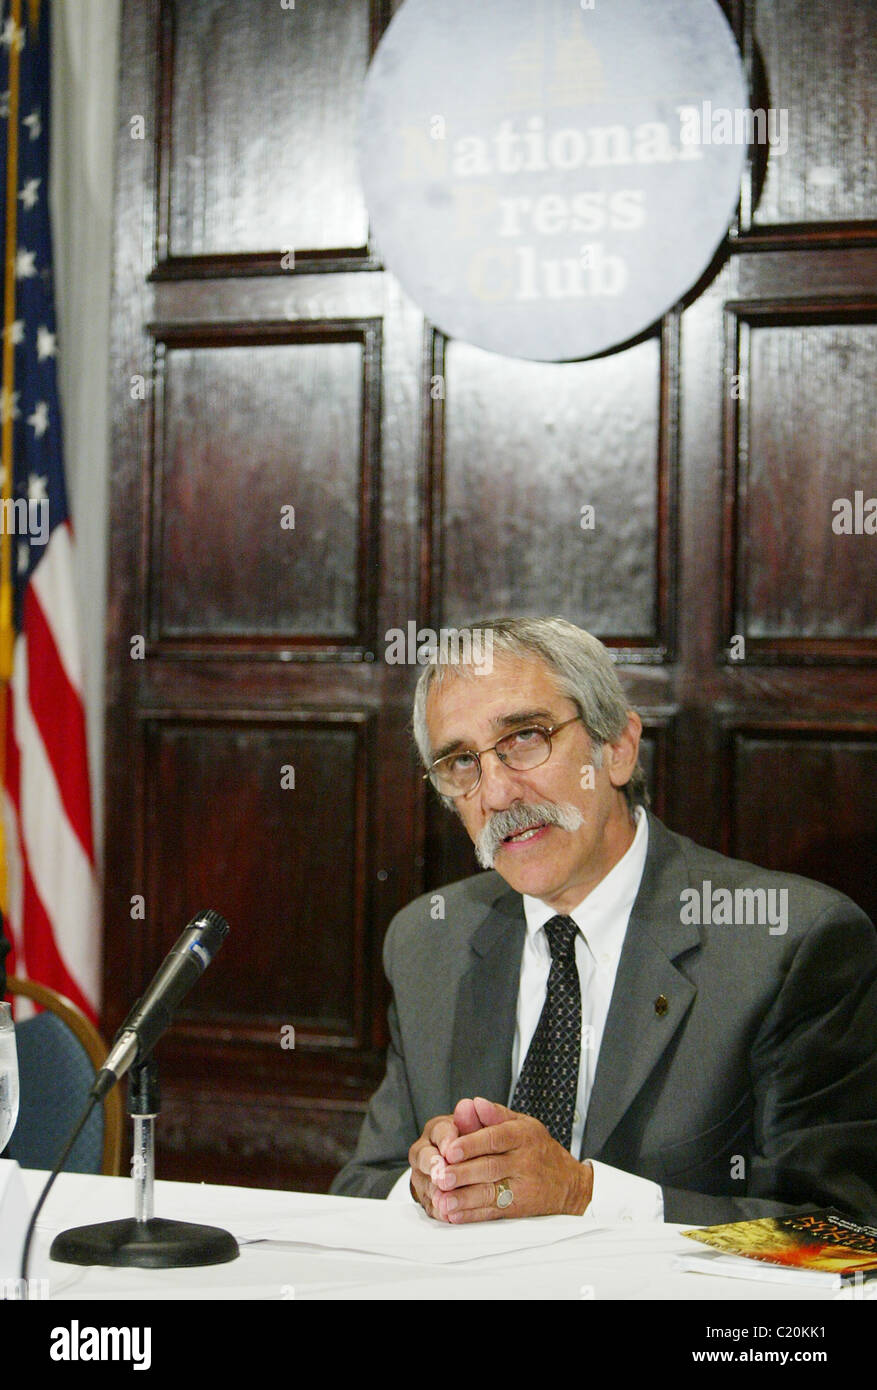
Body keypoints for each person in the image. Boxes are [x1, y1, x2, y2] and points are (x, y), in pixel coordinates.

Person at [330, 618, 877, 1226]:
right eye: (461, 762)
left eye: (525, 738)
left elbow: (843, 1230)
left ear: (616, 747)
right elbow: (362, 1184)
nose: (497, 793)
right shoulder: (428, 939)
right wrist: (430, 1183)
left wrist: (582, 1196)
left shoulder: (789, 941)